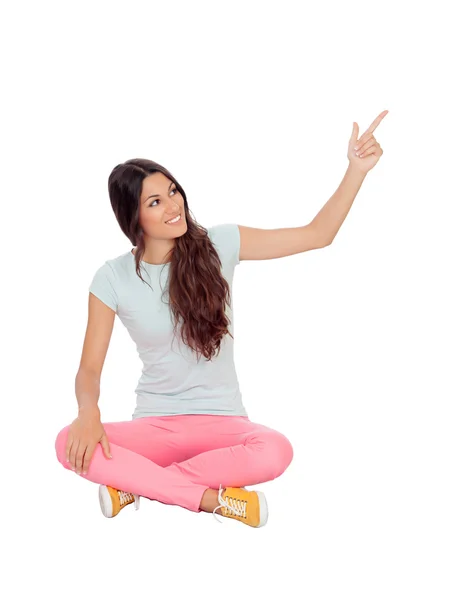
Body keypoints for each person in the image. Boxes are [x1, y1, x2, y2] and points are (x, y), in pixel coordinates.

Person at [54, 158, 294, 528]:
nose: (173, 205)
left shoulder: (220, 244)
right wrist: (88, 413)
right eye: (155, 202)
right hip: (155, 425)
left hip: (224, 423)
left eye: (172, 191)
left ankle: (136, 485)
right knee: (68, 442)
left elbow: (317, 234)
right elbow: (88, 369)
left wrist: (356, 170)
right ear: (133, 220)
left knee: (277, 450)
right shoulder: (112, 278)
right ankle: (212, 500)